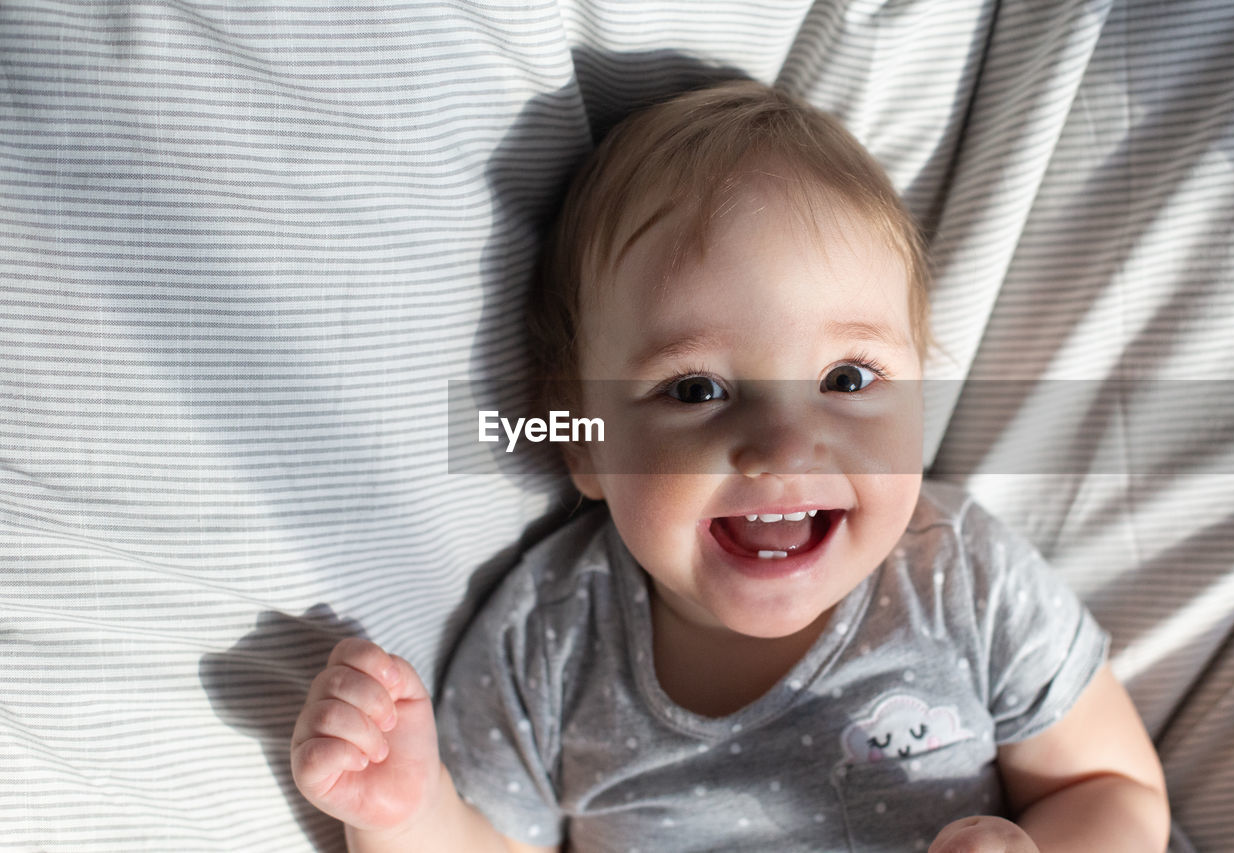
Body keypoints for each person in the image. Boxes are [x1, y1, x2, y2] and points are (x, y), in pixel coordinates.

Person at [290, 80, 1170, 853]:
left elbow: (1114, 792)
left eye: (847, 378)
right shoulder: (549, 641)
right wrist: (404, 814)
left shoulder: (963, 581)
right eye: (698, 387)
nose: (785, 446)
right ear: (586, 440)